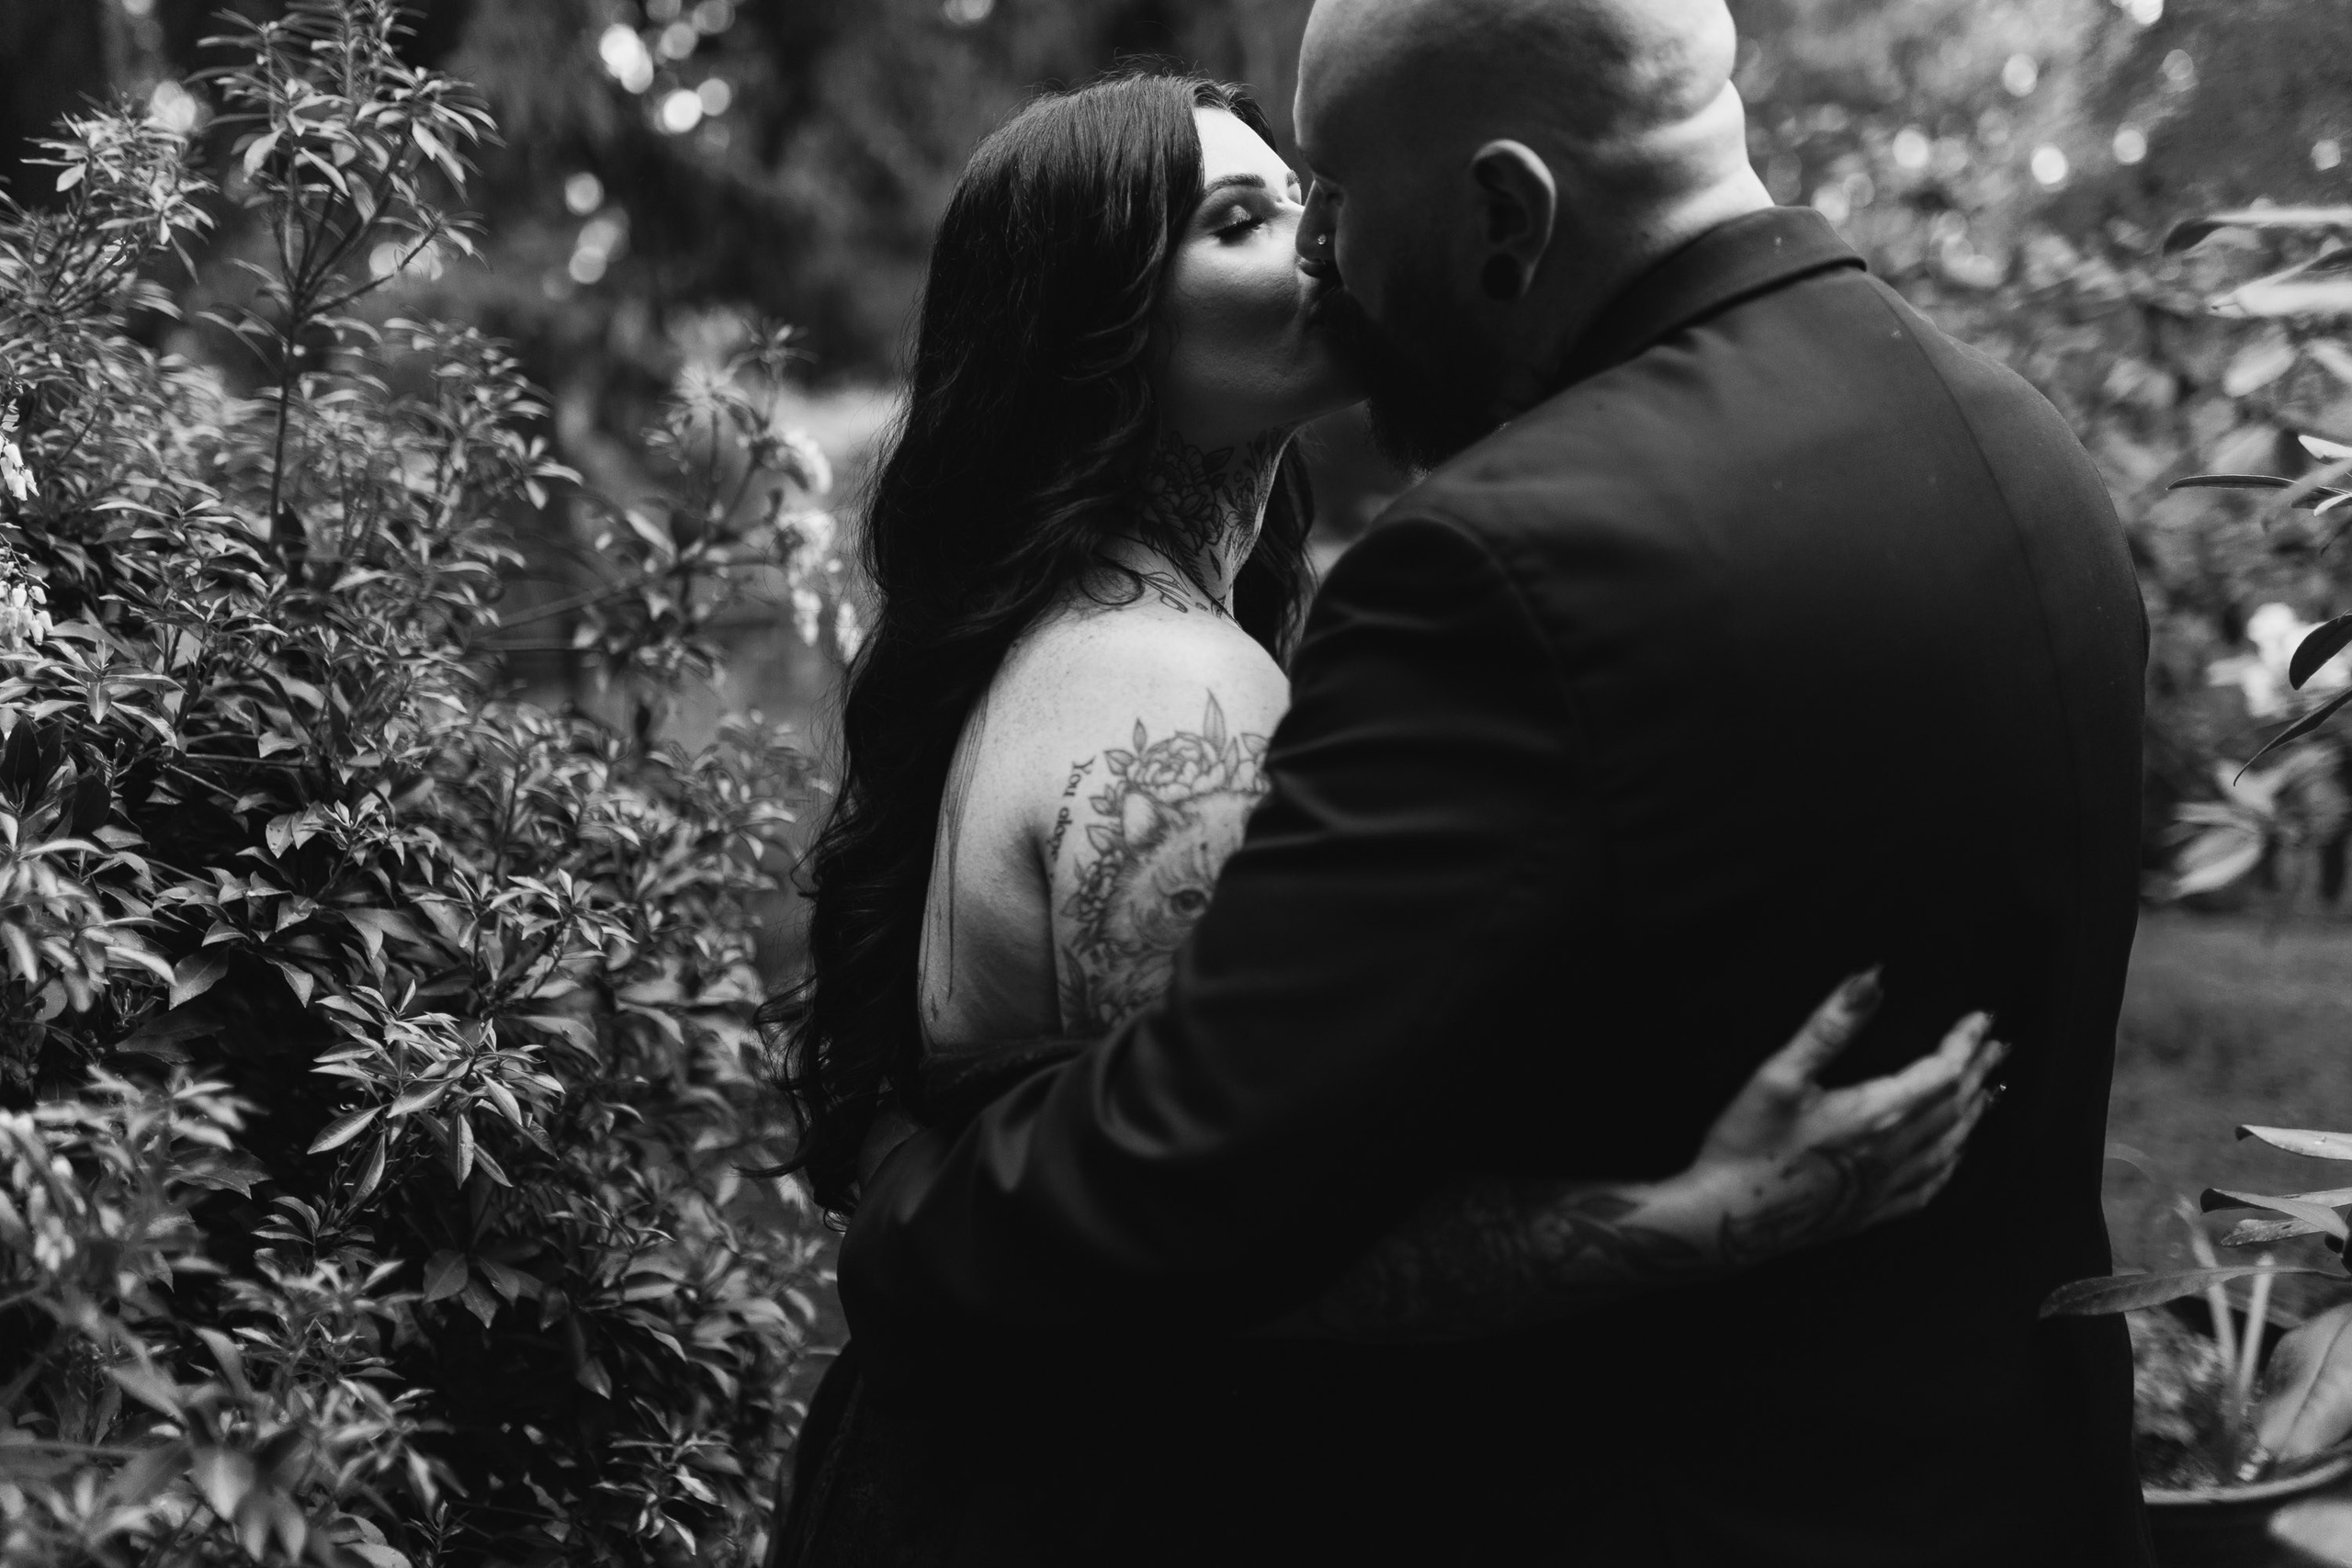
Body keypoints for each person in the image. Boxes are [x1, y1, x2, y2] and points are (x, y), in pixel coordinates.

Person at [768, 60, 2017, 1567]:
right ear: (1098, 324)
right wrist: (1706, 1214)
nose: (1315, 242)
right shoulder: (1167, 689)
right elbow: (1223, 1248)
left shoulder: (1090, 633)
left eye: (1306, 197)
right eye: (1239, 218)